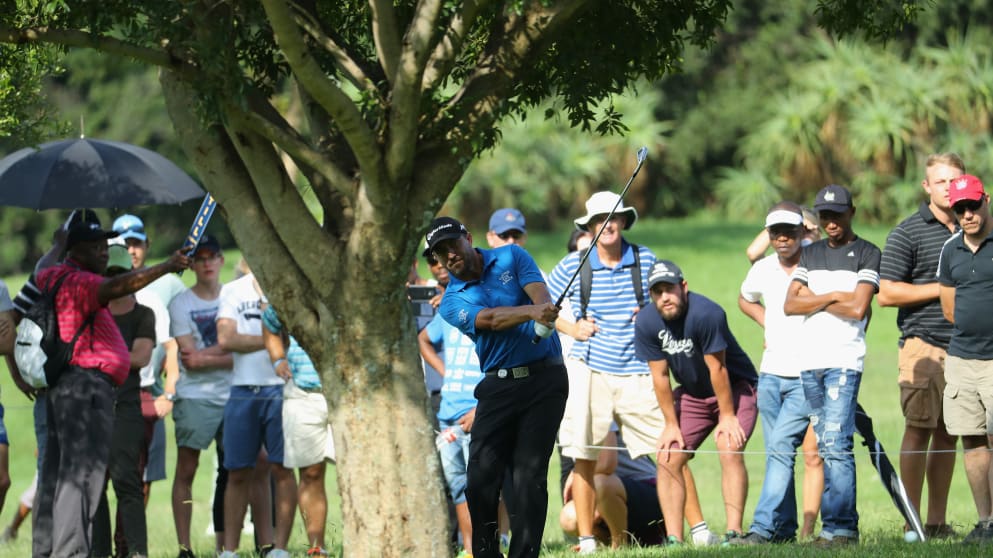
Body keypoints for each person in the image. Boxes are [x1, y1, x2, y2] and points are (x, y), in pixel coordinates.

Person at [31, 209, 188, 558]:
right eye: (95, 246)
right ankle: (71, 553)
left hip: (67, 390)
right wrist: (165, 266)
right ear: (77, 251)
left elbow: (40, 271)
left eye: (105, 245)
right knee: (82, 480)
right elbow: (117, 286)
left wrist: (56, 245)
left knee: (58, 476)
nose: (105, 252)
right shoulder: (81, 282)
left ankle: (47, 551)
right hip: (87, 390)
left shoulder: (51, 274)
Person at [426, 216, 566, 558]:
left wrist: (543, 316)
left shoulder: (512, 257)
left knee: (530, 476)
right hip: (498, 386)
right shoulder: (451, 301)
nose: (449, 256)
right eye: (441, 253)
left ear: (469, 238)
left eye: (452, 246)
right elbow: (489, 319)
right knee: (480, 480)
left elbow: (540, 294)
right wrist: (532, 313)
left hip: (545, 380)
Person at [547, 192, 674, 553]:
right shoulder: (573, 263)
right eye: (600, 219)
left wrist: (649, 316)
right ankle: (588, 540)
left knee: (667, 452)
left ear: (624, 222)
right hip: (589, 369)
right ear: (589, 227)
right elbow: (545, 308)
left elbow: (667, 304)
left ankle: (682, 531)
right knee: (585, 456)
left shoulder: (645, 258)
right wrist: (573, 329)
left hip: (638, 370)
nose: (608, 224)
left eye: (614, 218)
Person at [633, 260, 759, 545]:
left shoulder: (707, 314)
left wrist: (727, 417)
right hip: (693, 394)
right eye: (657, 292)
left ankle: (734, 534)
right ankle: (675, 539)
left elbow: (719, 370)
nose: (665, 297)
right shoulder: (647, 322)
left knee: (729, 446)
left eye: (670, 289)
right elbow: (661, 377)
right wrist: (670, 425)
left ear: (684, 287)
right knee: (668, 455)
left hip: (736, 388)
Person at [784, 184, 881, 547]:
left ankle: (842, 529)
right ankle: (834, 528)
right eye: (824, 216)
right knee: (824, 445)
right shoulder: (809, 255)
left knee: (837, 443)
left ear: (852, 212)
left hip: (844, 360)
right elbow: (789, 306)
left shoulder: (868, 253)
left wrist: (813, 299)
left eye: (837, 214)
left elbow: (859, 309)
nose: (830, 222)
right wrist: (834, 296)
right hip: (811, 362)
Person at [878, 153, 962, 539]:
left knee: (950, 434)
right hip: (924, 347)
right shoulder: (909, 231)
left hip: (969, 348)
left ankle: (936, 522)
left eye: (954, 180)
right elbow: (887, 292)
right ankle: (912, 523)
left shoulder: (974, 227)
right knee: (918, 430)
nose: (948, 188)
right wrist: (943, 289)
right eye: (940, 181)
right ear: (927, 186)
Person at [733, 202, 822, 544]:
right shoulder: (764, 268)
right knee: (777, 454)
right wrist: (764, 320)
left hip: (806, 373)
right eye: (776, 233)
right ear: (768, 236)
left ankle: (762, 528)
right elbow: (745, 298)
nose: (783, 238)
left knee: (782, 448)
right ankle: (783, 529)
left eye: (790, 231)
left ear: (803, 231)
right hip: (770, 374)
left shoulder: (819, 261)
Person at [217, 267, 297, 558]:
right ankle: (229, 551)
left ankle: (280, 549)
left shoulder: (288, 284)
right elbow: (226, 339)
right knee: (237, 471)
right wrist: (271, 338)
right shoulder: (232, 290)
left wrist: (274, 337)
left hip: (282, 388)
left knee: (283, 469)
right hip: (242, 390)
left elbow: (293, 336)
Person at [112, 214, 187, 506]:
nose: (131, 250)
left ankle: (132, 541)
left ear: (147, 245)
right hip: (111, 389)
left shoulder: (168, 284)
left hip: (151, 392)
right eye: (125, 244)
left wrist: (170, 390)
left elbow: (178, 335)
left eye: (137, 244)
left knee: (144, 474)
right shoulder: (104, 284)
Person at [168, 234, 234, 557]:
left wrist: (208, 357)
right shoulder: (180, 303)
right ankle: (185, 548)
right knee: (187, 470)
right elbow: (188, 361)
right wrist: (227, 351)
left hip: (233, 394)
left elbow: (202, 357)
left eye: (213, 256)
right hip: (195, 397)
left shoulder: (233, 297)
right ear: (192, 263)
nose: (207, 263)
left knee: (233, 470)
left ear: (222, 260)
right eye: (201, 258)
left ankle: (226, 547)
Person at [937, 174, 993, 544]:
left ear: (986, 201)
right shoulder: (950, 249)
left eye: (973, 205)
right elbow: (949, 308)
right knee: (971, 441)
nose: (968, 214)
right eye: (960, 209)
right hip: (962, 360)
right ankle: (986, 522)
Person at [92, 243, 157, 558]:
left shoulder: (144, 314)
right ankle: (99, 553)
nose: (115, 280)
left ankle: (136, 553)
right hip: (91, 409)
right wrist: (116, 358)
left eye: (120, 274)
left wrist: (98, 356)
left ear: (132, 276)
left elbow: (141, 358)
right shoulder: (92, 310)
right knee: (94, 489)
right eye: (110, 274)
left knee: (127, 483)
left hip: (126, 408)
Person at [418, 276, 486, 558]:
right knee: (458, 487)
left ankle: (486, 548)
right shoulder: (447, 316)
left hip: (478, 414)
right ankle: (469, 551)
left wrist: (482, 409)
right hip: (448, 415)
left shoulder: (489, 319)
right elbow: (423, 339)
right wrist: (445, 372)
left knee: (482, 488)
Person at [262, 305, 334, 557]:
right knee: (311, 472)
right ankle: (317, 548)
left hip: (346, 391)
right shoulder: (289, 291)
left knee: (356, 472)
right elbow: (270, 323)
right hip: (304, 392)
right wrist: (278, 359)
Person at [559, 430, 665, 548]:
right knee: (569, 516)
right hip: (610, 493)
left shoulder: (598, 412)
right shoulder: (565, 423)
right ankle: (600, 543)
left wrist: (577, 472)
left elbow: (606, 464)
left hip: (650, 489)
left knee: (601, 483)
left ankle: (621, 546)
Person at [745, 207, 820, 263]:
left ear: (818, 232)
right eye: (792, 231)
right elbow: (753, 253)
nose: (802, 236)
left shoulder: (827, 258)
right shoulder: (777, 262)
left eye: (807, 231)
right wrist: (779, 223)